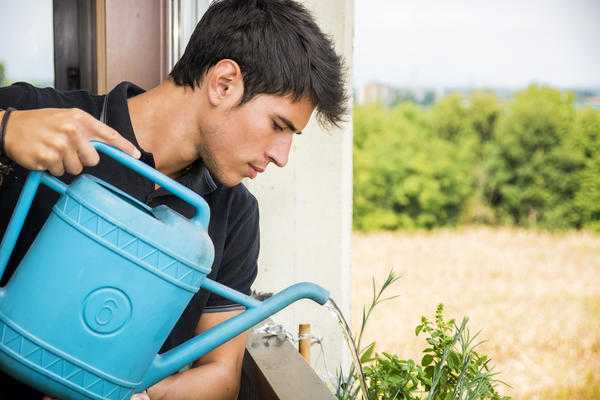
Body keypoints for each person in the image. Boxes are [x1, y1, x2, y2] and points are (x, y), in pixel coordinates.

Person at [0, 0, 347, 399]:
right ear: (224, 83)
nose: (281, 156)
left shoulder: (234, 214)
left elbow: (221, 372)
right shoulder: (37, 115)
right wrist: (5, 127)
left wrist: (141, 396)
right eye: (277, 125)